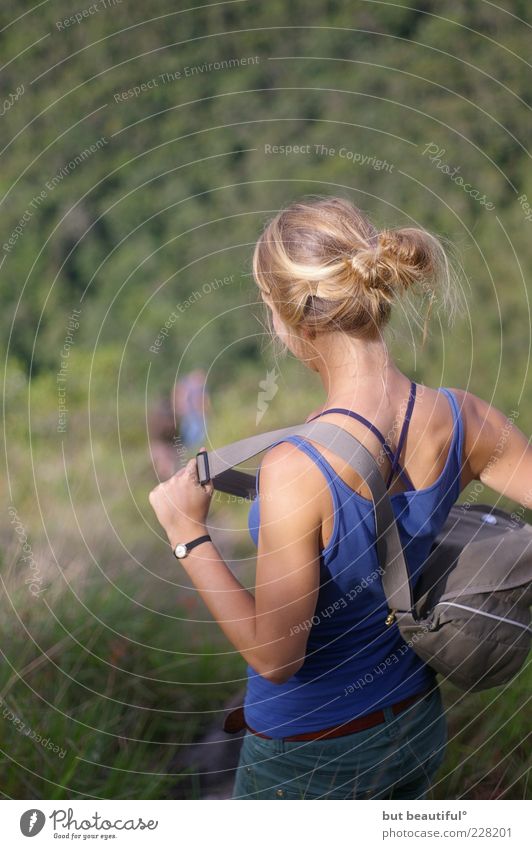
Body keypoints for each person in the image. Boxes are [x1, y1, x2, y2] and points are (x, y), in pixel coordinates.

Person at [148, 195, 532, 799]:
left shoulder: (296, 468)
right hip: (415, 724)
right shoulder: (464, 418)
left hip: (308, 755)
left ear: (288, 321)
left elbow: (276, 659)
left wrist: (187, 537)